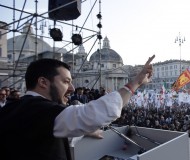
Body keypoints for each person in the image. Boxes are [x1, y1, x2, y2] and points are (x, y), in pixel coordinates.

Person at [0, 55, 155, 160]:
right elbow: (95, 113)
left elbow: (51, 132)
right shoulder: (40, 111)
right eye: (66, 81)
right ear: (43, 82)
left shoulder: (13, 108)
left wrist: (88, 131)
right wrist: (136, 83)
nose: (72, 88)